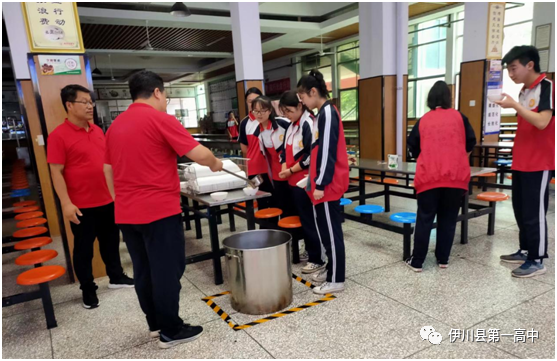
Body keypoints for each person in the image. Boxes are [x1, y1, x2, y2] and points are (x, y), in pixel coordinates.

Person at [103, 71, 223, 349]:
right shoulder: (160, 119)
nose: (166, 100)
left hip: (127, 212)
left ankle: (155, 325)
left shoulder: (115, 125)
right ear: (157, 92)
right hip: (158, 211)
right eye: (165, 94)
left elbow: (107, 169)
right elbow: (198, 153)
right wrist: (216, 163)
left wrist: (119, 199)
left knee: (143, 271)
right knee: (167, 270)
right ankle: (171, 330)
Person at [47, 85, 133, 310]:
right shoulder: (58, 136)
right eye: (84, 102)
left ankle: (116, 277)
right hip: (81, 205)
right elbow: (55, 172)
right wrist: (66, 203)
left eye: (90, 102)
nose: (89, 106)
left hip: (107, 199)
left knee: (111, 241)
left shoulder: (97, 130)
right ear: (69, 105)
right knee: (84, 249)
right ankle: (87, 288)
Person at [495, 45, 554, 278]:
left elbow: (542, 122)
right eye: (508, 69)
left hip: (539, 162)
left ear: (530, 64)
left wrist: (516, 106)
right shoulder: (523, 91)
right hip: (521, 160)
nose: (511, 74)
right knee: (520, 209)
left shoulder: (547, 87)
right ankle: (525, 249)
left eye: (513, 68)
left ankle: (537, 259)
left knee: (534, 212)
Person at [406, 81, 476, 272]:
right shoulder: (460, 117)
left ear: (430, 99)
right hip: (455, 177)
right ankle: (443, 259)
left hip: (430, 176)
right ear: (448, 98)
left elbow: (412, 146)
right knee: (448, 219)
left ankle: (417, 261)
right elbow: (471, 141)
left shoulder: (424, 120)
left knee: (425, 219)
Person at [297, 69, 349, 295]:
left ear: (314, 91)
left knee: (331, 232)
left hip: (328, 186)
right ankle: (331, 272)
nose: (304, 103)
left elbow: (328, 151)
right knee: (327, 232)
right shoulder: (322, 114)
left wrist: (319, 184)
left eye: (304, 97)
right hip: (322, 183)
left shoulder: (327, 113)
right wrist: (312, 178)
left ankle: (337, 280)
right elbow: (318, 152)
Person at [278, 90, 326, 274]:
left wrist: (290, 170)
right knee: (301, 218)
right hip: (291, 181)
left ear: (300, 105)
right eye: (284, 113)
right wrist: (284, 167)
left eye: (289, 111)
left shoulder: (308, 123)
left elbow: (309, 156)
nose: (287, 116)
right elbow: (284, 150)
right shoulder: (292, 125)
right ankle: (309, 250)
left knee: (309, 220)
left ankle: (317, 258)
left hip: (304, 181)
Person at [251, 95, 293, 214]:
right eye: (256, 111)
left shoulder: (283, 123)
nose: (259, 114)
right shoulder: (258, 131)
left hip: (292, 168)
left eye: (263, 110)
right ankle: (283, 231)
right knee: (281, 204)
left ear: (269, 110)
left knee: (294, 203)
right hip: (275, 172)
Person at [238, 87, 272, 208]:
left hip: (272, 170)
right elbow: (244, 149)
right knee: (262, 204)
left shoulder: (271, 119)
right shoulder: (245, 123)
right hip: (255, 170)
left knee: (276, 202)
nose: (252, 104)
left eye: (255, 100)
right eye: (249, 101)